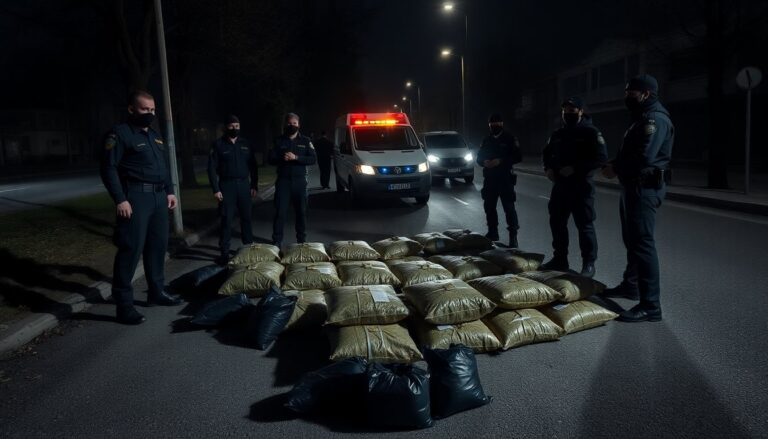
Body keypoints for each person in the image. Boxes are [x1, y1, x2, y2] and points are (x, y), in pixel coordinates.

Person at [100, 90, 182, 325]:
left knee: (158, 247)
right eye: (145, 109)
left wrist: (169, 191)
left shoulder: (155, 136)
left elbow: (162, 167)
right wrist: (120, 199)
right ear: (131, 109)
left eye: (153, 109)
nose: (150, 113)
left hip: (158, 198)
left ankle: (156, 293)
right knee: (130, 249)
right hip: (135, 198)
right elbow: (109, 168)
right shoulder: (119, 134)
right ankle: (124, 306)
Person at [600, 74, 674, 322]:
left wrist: (616, 168)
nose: (626, 96)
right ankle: (630, 286)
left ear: (646, 94)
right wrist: (615, 163)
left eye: (631, 92)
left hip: (644, 188)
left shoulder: (654, 119)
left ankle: (651, 305)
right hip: (633, 186)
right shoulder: (641, 118)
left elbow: (644, 157)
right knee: (632, 240)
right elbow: (632, 153)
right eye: (626, 91)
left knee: (643, 244)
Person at [541, 97, 608, 278]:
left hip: (581, 187)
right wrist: (547, 169)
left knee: (584, 226)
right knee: (557, 223)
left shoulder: (591, 132)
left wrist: (576, 168)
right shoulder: (558, 133)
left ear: (580, 111)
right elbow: (546, 154)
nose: (567, 114)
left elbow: (601, 158)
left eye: (572, 110)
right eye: (565, 111)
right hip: (560, 186)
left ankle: (588, 264)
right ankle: (560, 259)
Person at [207, 115, 259, 265]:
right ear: (225, 127)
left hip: (244, 186)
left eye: (237, 126)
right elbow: (211, 168)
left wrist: (254, 185)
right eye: (231, 126)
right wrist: (216, 189)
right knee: (226, 220)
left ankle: (247, 249)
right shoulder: (218, 145)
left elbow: (253, 166)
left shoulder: (246, 144)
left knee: (246, 219)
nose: (234, 129)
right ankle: (224, 253)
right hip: (226, 186)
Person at [268, 112, 317, 248]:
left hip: (300, 181)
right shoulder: (278, 140)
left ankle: (301, 240)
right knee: (280, 212)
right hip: (283, 181)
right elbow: (270, 159)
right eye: (289, 123)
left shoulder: (306, 141)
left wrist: (296, 158)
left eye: (294, 123)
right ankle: (277, 240)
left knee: (301, 211)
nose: (292, 126)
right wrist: (281, 158)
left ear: (298, 125)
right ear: (285, 124)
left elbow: (313, 159)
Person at [476, 113, 523, 248]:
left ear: (502, 124)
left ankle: (513, 237)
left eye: (497, 123)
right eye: (492, 124)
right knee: (489, 207)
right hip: (490, 180)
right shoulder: (486, 140)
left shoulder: (509, 138)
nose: (494, 126)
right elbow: (478, 158)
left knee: (509, 208)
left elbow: (518, 157)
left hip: (505, 179)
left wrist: (500, 161)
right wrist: (484, 162)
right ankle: (492, 232)